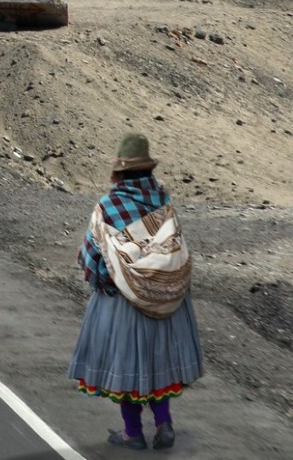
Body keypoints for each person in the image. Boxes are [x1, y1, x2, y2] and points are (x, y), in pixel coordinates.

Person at [69, 131, 205, 450]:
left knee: (127, 367)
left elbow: (93, 258)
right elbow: (174, 248)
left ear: (119, 170)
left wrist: (106, 284)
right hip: (167, 300)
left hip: (123, 304)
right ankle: (164, 423)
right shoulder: (163, 201)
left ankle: (132, 432)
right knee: (158, 364)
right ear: (148, 170)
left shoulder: (108, 206)